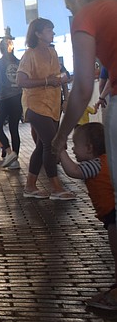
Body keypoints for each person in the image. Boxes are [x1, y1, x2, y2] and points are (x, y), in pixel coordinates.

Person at [53, 0, 117, 210]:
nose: (73, 15)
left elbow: (82, 87)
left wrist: (61, 137)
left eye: (70, 9)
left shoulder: (87, 15)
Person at [55, 122, 117, 309]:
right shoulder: (107, 160)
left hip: (113, 216)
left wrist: (60, 151)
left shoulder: (95, 164)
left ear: (89, 148)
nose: (73, 148)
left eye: (75, 145)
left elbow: (73, 171)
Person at [17, 17, 74, 199]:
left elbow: (59, 75)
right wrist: (48, 81)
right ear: (38, 33)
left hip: (53, 105)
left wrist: (65, 92)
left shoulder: (53, 52)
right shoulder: (29, 55)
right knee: (51, 144)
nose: (53, 33)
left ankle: (30, 186)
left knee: (42, 146)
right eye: (49, 30)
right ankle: (56, 188)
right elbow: (20, 81)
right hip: (35, 105)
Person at [0, 29, 23, 169]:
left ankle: (10, 153)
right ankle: (14, 157)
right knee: (14, 128)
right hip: (18, 98)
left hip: (4, 98)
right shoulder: (19, 61)